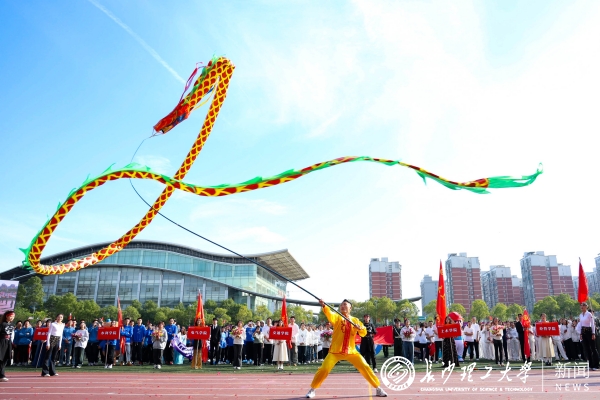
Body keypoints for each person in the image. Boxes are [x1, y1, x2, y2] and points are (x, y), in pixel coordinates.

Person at [305, 299, 387, 398]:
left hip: (351, 351)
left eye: (345, 304)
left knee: (365, 367)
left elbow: (364, 333)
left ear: (350, 308)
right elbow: (330, 314)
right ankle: (313, 389)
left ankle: (378, 388)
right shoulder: (337, 317)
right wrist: (324, 306)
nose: (342, 306)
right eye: (341, 305)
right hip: (335, 351)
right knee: (324, 369)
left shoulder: (355, 320)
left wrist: (360, 328)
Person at [577, 302, 599, 370]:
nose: (582, 307)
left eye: (583, 305)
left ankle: (596, 365)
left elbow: (592, 324)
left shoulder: (589, 314)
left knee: (593, 348)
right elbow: (580, 324)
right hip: (583, 332)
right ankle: (591, 365)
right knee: (587, 348)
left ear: (586, 307)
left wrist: (593, 333)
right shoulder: (580, 315)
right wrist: (580, 334)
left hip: (589, 331)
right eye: (581, 305)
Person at [0, 310, 15, 382]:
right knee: (1, 358)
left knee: (6, 358)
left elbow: (11, 334)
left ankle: (1, 374)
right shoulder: (2, 324)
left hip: (8, 342)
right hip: (2, 342)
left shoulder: (11, 325)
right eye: (11, 316)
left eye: (13, 316)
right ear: (7, 316)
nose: (12, 318)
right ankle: (1, 375)